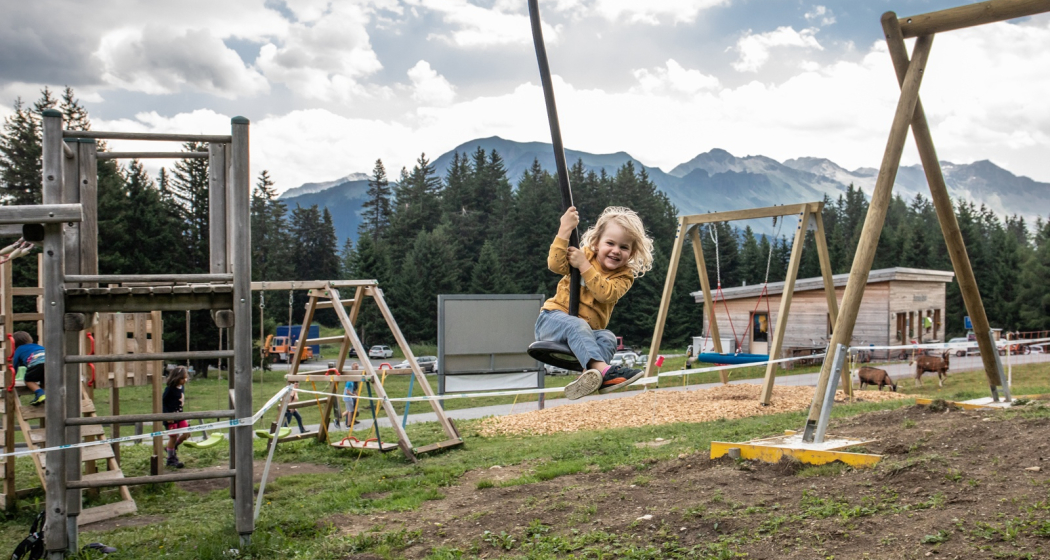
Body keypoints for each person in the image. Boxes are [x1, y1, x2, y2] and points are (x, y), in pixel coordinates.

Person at [535, 206, 654, 400]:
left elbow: (605, 294)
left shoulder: (624, 276)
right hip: (552, 321)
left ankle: (590, 376)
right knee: (577, 324)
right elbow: (555, 265)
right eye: (610, 243)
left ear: (631, 253)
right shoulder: (585, 255)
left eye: (624, 247)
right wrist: (565, 229)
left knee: (607, 337)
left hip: (584, 333)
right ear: (597, 243)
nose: (616, 251)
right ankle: (604, 372)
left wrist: (584, 266)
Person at [162, 366, 191, 469]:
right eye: (183, 378)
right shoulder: (169, 389)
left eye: (185, 377)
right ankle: (171, 459)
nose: (185, 380)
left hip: (180, 415)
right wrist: (167, 416)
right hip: (171, 417)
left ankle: (171, 448)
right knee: (173, 437)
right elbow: (163, 402)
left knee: (187, 433)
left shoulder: (181, 387)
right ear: (176, 378)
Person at [12, 332, 46, 406]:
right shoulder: (38, 346)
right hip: (49, 363)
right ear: (30, 339)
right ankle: (45, 397)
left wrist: (11, 378)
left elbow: (14, 365)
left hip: (36, 363)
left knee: (29, 380)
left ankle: (40, 394)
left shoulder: (19, 350)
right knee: (44, 381)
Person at [340, 363, 360, 427]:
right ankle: (347, 422)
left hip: (352, 392)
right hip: (350, 395)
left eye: (357, 366)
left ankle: (352, 420)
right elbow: (347, 390)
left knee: (352, 409)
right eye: (355, 366)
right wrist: (353, 395)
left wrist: (355, 392)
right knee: (350, 410)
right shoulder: (351, 376)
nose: (357, 367)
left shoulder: (356, 374)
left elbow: (355, 385)